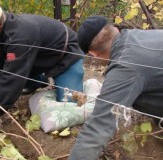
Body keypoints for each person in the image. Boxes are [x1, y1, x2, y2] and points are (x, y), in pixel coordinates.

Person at [0, 0, 84, 119]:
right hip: (37, 59)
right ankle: (40, 80)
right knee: (12, 76)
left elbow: (12, 76)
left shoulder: (19, 37)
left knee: (68, 105)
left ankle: (55, 78)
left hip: (66, 56)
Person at [69, 15, 163, 160]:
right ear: (116, 30)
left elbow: (98, 128)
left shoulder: (125, 67)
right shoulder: (139, 36)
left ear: (93, 54)